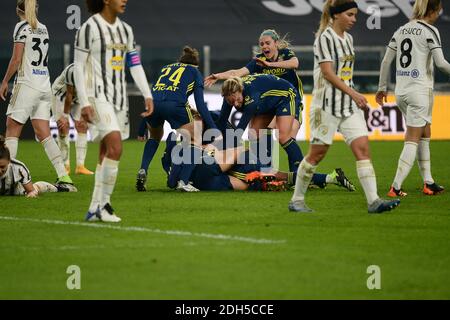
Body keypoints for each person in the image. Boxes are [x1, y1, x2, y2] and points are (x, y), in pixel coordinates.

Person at [289, 0, 400, 214]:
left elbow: (345, 75)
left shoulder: (348, 39)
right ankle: (297, 200)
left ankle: (373, 201)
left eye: (355, 15)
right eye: (350, 15)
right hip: (326, 105)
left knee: (362, 149)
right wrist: (355, 94)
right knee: (316, 155)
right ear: (337, 15)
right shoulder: (324, 38)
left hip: (348, 106)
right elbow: (328, 73)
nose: (354, 19)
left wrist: (354, 97)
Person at [74, 0, 154, 222]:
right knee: (116, 147)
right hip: (97, 97)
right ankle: (105, 206)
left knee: (105, 151)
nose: (125, 0)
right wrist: (84, 102)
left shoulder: (126, 30)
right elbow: (79, 66)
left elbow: (135, 64)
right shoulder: (89, 27)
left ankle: (93, 208)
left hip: (120, 100)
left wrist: (147, 94)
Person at [376, 0, 449, 197]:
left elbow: (386, 61)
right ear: (433, 11)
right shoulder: (429, 31)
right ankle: (395, 187)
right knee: (413, 138)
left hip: (401, 91)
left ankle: (429, 182)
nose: (439, 14)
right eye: (439, 10)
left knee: (425, 131)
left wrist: (382, 88)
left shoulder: (401, 30)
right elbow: (441, 63)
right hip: (419, 92)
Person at [205, 29, 304, 171]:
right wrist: (218, 76)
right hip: (268, 102)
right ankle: (266, 170)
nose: (264, 46)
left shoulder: (285, 54)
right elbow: (237, 73)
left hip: (290, 98)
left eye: (267, 43)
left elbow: (295, 64)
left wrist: (270, 65)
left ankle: (298, 175)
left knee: (286, 137)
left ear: (276, 43)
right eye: (261, 44)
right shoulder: (258, 61)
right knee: (257, 133)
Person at [0, 0, 73, 187]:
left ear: (18, 10)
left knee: (12, 129)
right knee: (44, 133)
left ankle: (8, 179)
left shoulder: (21, 27)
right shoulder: (43, 28)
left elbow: (17, 59)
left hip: (27, 84)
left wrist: (5, 80)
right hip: (43, 85)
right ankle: (64, 176)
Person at [135, 46, 219, 192]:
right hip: (175, 106)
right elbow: (200, 105)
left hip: (154, 105)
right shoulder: (195, 72)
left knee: (154, 137)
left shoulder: (166, 68)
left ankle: (143, 169)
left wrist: (141, 129)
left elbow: (153, 94)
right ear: (195, 64)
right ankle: (184, 182)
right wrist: (213, 127)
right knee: (195, 139)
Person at [51, 63, 94, 175]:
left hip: (78, 96)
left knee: (82, 125)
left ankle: (80, 166)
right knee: (63, 127)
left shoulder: (96, 71)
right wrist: (65, 116)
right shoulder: (73, 70)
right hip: (61, 95)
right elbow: (69, 94)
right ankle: (65, 166)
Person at [0, 135, 77, 197]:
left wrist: (32, 193)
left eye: (2, 167)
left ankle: (62, 187)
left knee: (37, 188)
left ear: (9, 161)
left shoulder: (19, 168)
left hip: (18, 192)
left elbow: (31, 191)